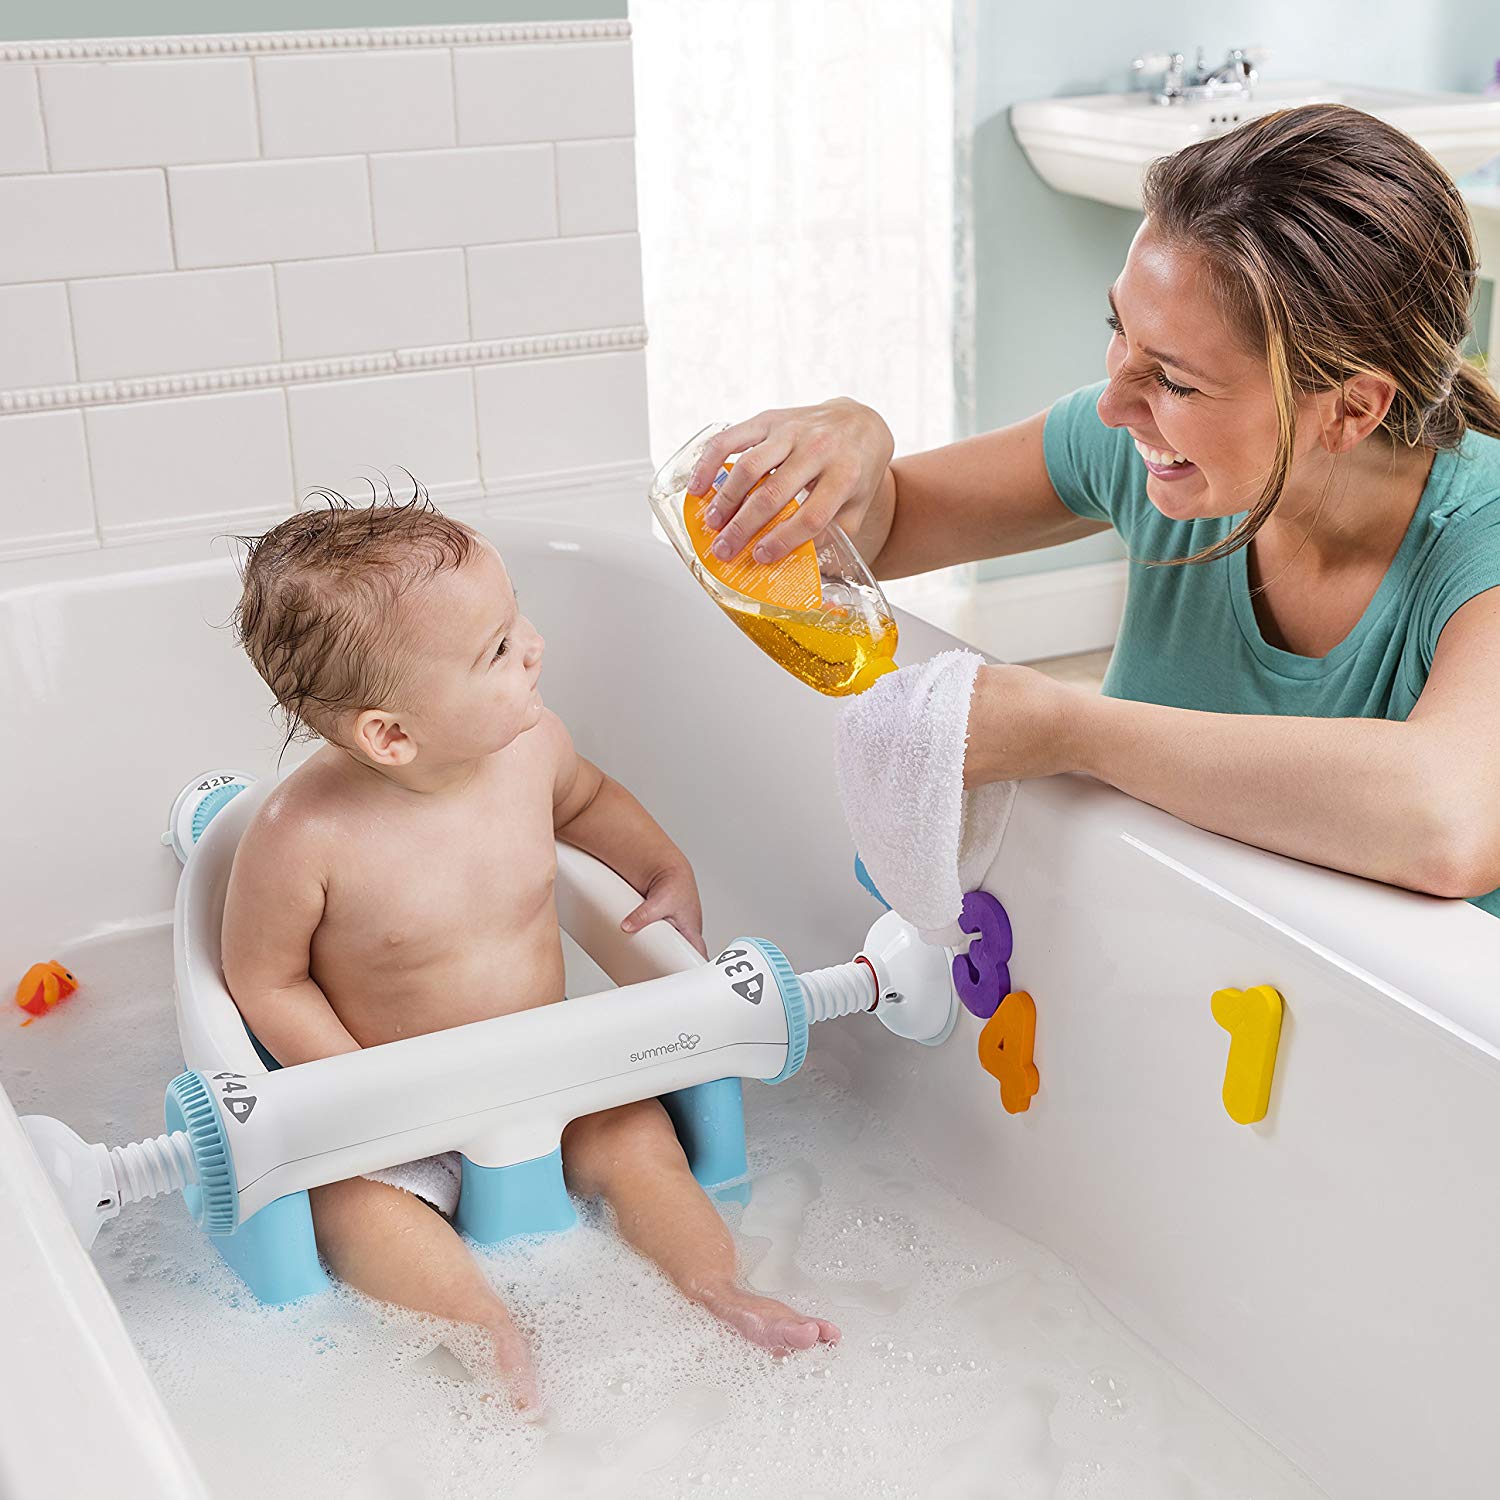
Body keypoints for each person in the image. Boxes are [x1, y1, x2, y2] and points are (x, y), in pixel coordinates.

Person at [690, 104, 1500, 916]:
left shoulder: (1481, 535)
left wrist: (1071, 732)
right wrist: (857, 450)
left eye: (1176, 382)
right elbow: (885, 529)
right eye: (1120, 330)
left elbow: (1450, 822)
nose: (1115, 404)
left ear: (1352, 410)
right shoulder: (1159, 451)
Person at [221, 499, 839, 1415]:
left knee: (639, 1141)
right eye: (499, 650)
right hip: (401, 1122)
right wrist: (360, 1089)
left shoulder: (531, 748)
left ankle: (717, 1287)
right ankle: (488, 1337)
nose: (536, 647)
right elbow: (265, 979)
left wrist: (664, 869)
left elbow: (589, 804)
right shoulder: (302, 835)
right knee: (353, 1209)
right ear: (391, 733)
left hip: (552, 1079)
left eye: (518, 620)